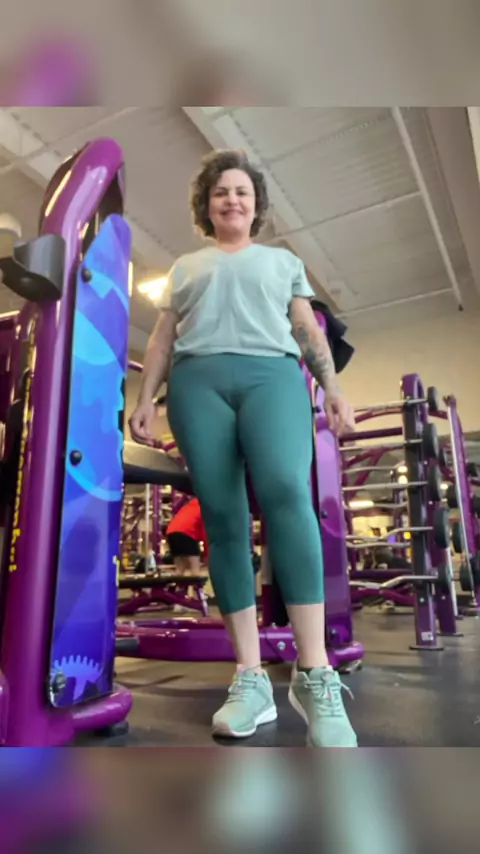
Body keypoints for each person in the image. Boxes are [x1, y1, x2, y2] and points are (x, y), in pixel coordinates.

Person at [129, 149, 358, 748]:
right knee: (222, 516)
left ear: (256, 206)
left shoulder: (283, 262)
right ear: (206, 207)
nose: (231, 199)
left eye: (242, 192)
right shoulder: (185, 268)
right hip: (197, 383)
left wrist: (333, 389)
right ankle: (251, 677)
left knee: (287, 493)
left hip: (271, 376)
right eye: (220, 192)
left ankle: (315, 673)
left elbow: (306, 329)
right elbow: (162, 341)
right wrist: (146, 399)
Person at [166, 497, 209, 575]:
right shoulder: (204, 510)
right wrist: (207, 555)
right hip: (187, 534)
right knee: (195, 571)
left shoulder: (187, 507)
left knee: (180, 570)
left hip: (171, 534)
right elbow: (205, 534)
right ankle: (196, 581)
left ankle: (176, 582)